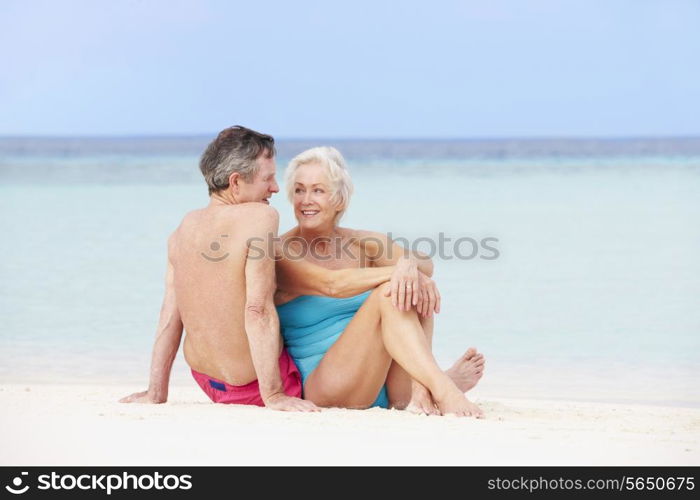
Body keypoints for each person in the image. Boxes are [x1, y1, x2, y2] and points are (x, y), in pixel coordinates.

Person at [272, 147, 486, 417]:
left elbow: (427, 264)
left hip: (384, 387)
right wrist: (400, 271)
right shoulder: (281, 252)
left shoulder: (361, 243)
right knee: (391, 290)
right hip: (326, 386)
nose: (306, 200)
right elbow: (332, 284)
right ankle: (444, 388)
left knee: (412, 287)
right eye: (300, 190)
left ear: (339, 199)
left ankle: (421, 389)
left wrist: (408, 266)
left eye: (318, 190)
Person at [120, 126, 317, 411]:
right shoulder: (261, 216)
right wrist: (274, 395)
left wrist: (156, 391)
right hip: (255, 388)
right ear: (235, 182)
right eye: (268, 179)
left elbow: (170, 316)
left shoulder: (182, 230)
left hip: (208, 384)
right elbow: (257, 310)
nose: (275, 188)